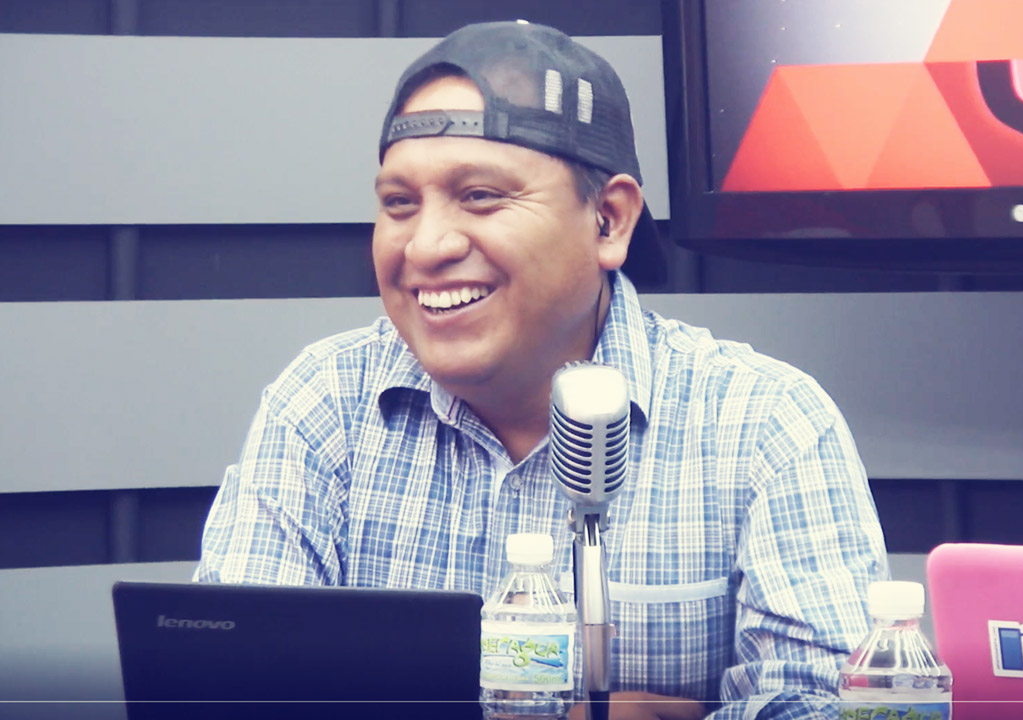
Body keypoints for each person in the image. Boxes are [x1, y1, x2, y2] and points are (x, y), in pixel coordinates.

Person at [195, 20, 888, 720]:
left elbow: (829, 707)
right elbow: (230, 691)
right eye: (399, 204)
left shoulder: (766, 423)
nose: (426, 246)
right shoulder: (324, 403)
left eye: (480, 196)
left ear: (609, 220)